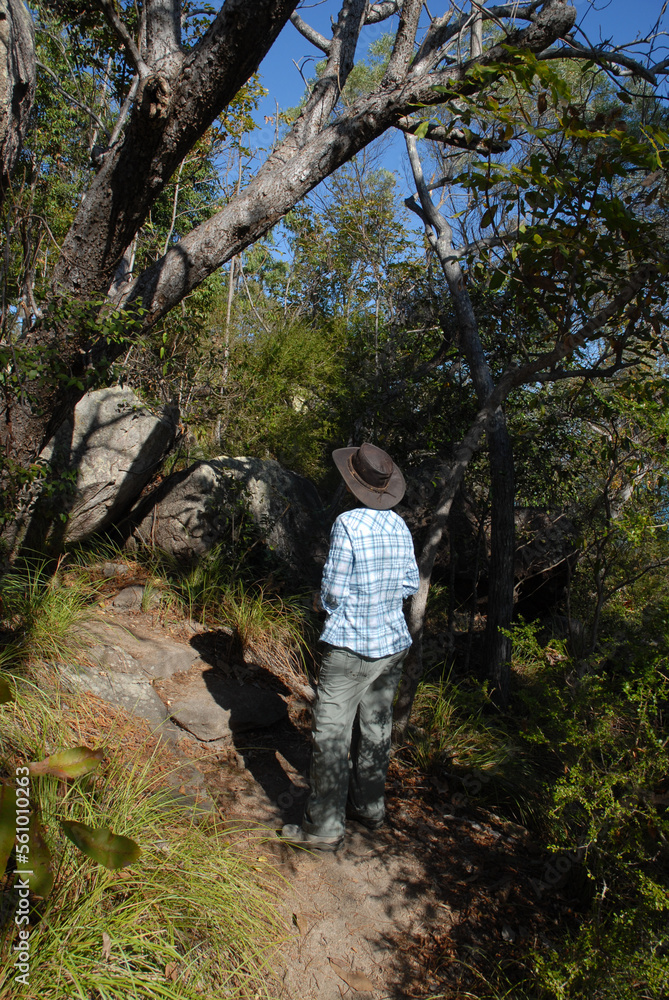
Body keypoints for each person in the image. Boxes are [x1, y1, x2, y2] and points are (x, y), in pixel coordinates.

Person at [281, 442, 419, 852]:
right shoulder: (399, 525)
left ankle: (323, 827)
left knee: (331, 732)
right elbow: (411, 583)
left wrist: (324, 603)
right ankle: (369, 807)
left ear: (353, 479)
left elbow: (334, 591)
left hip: (352, 646)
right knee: (376, 726)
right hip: (392, 643)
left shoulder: (347, 523)